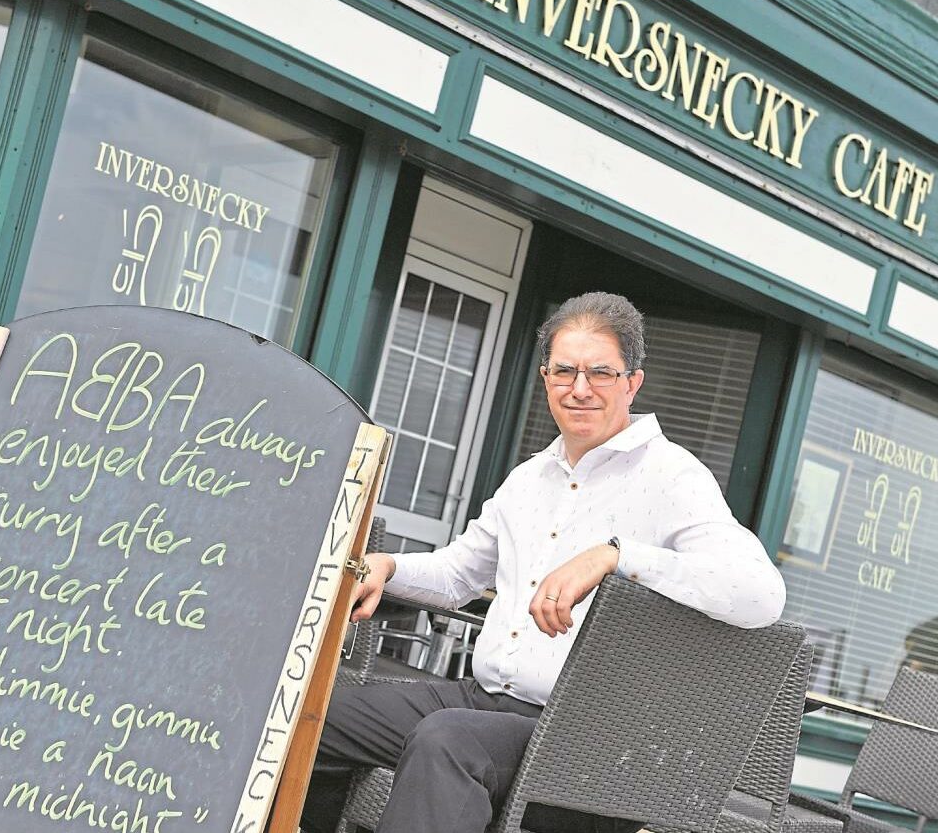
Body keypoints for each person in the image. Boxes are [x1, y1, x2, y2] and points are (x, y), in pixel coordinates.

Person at [302, 292, 787, 833]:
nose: (580, 389)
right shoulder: (530, 476)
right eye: (565, 372)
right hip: (482, 700)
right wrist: (389, 566)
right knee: (311, 719)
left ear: (632, 382)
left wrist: (616, 556)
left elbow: (761, 595)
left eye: (601, 373)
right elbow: (459, 575)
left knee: (448, 742)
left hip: (583, 742)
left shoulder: (674, 477)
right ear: (545, 378)